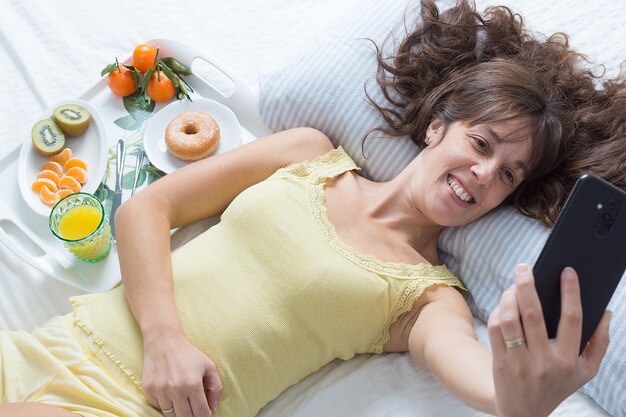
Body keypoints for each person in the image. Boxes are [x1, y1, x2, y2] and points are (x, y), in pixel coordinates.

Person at [0, 1, 624, 417]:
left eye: (508, 175)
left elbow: (474, 373)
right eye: (481, 144)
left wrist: (522, 399)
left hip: (131, 406)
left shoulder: (430, 298)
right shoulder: (311, 153)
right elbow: (146, 210)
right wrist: (164, 338)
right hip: (49, 346)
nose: (485, 174)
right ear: (437, 128)